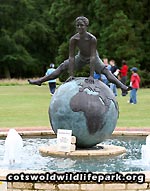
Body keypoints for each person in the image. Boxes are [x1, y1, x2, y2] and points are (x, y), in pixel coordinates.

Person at [28, 16, 131, 94]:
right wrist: (72, 75)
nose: (79, 27)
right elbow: (71, 57)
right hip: (80, 57)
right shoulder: (74, 39)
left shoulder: (92, 39)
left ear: (86, 26)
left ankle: (122, 87)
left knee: (106, 72)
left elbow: (92, 57)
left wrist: (91, 75)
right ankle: (40, 81)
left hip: (93, 56)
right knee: (61, 67)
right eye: (77, 25)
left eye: (81, 25)